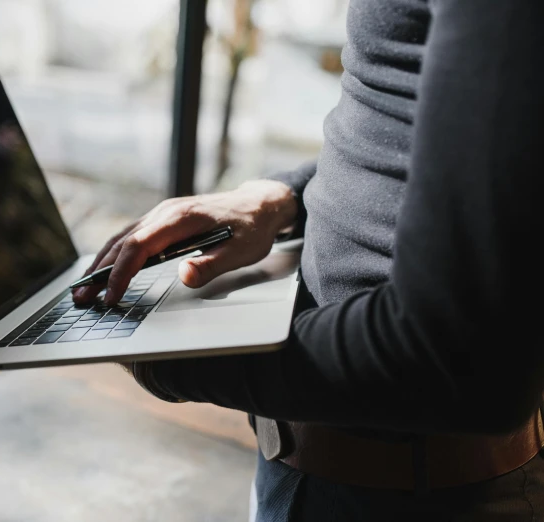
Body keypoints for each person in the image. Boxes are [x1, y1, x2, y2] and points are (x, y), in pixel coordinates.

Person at [73, 0, 544, 519]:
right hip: (317, 469)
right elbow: (419, 120)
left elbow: (465, 356)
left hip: (403, 497)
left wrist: (171, 358)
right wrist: (281, 196)